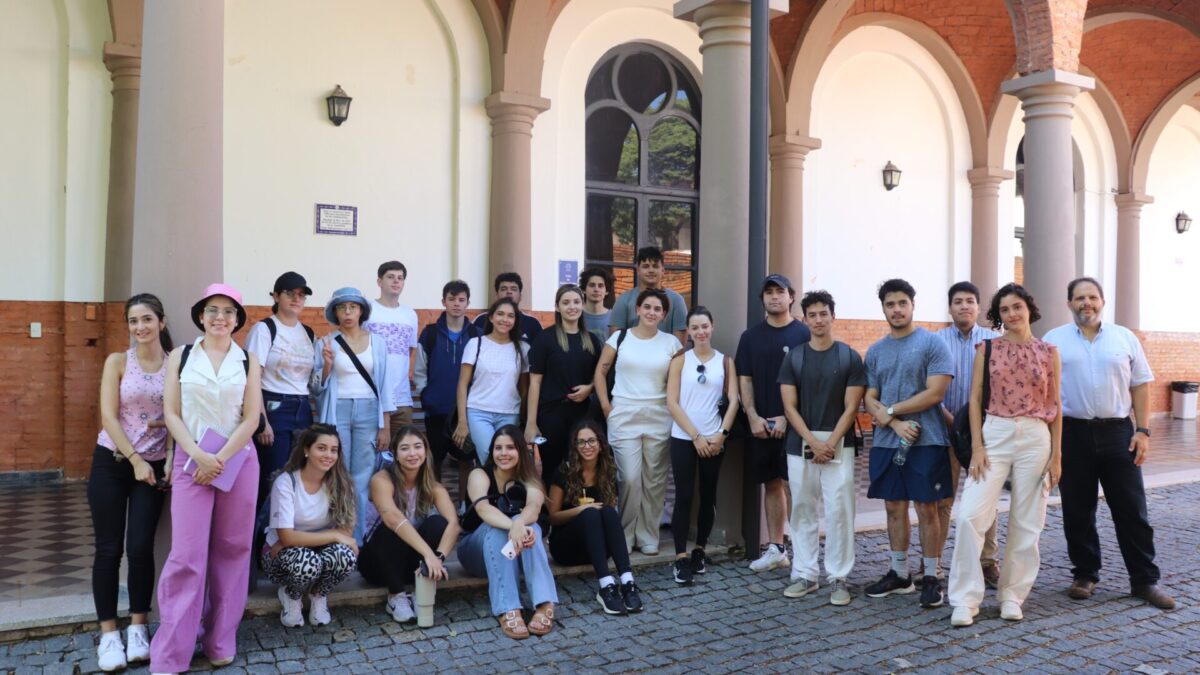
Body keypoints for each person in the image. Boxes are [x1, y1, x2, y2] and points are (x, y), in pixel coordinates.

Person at [1043, 277, 1175, 610]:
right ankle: (1085, 574)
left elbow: (1141, 385)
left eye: (1092, 297)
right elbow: (1042, 390)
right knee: (1077, 510)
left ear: (1102, 301)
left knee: (1132, 509)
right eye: (1079, 298)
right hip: (1072, 433)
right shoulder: (1053, 340)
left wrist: (1143, 430)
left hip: (1118, 433)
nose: (1086, 303)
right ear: (1069, 303)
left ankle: (1145, 580)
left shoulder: (1124, 338)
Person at [150, 284, 261, 673]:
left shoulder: (247, 360)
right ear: (201, 315)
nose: (220, 317)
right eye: (213, 310)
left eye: (229, 312)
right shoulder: (181, 357)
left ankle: (220, 639)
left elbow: (251, 417)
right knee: (186, 554)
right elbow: (171, 412)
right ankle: (172, 652)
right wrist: (198, 455)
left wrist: (221, 458)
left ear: (237, 320)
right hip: (191, 459)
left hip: (238, 459)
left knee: (233, 549)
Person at [949, 284, 1062, 626]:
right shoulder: (987, 348)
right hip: (995, 433)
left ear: (1029, 308)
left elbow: (1056, 406)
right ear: (998, 316)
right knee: (970, 515)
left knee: (1027, 521)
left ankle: (1012, 595)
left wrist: (1057, 456)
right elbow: (974, 398)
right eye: (1004, 309)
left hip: (1036, 436)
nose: (1012, 314)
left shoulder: (1049, 352)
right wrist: (977, 447)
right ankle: (965, 599)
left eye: (1017, 307)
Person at [89, 294, 173, 672]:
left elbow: (177, 415)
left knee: (139, 547)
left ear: (161, 322)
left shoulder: (175, 365)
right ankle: (109, 634)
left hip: (152, 469)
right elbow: (108, 416)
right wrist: (135, 459)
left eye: (147, 319)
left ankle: (138, 627)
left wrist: (168, 457)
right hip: (112, 461)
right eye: (134, 321)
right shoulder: (118, 361)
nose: (140, 327)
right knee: (108, 549)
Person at [861, 278, 954, 610]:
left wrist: (889, 411)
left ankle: (931, 576)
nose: (897, 309)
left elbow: (935, 393)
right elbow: (869, 397)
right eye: (890, 304)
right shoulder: (876, 351)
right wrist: (895, 422)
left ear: (913, 305)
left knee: (927, 508)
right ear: (883, 309)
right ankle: (900, 574)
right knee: (893, 506)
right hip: (888, 442)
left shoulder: (932, 343)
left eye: (902, 303)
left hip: (927, 440)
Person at [777, 291, 866, 605]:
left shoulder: (849, 357)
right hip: (800, 442)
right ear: (804, 319)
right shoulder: (794, 357)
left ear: (833, 316)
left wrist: (829, 443)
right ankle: (805, 573)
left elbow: (852, 407)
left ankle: (839, 577)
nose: (818, 320)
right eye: (812, 315)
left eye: (823, 314)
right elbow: (789, 407)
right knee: (802, 508)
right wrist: (813, 442)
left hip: (839, 443)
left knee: (840, 510)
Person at [594, 288, 683, 554]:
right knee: (630, 478)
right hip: (623, 414)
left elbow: (677, 383)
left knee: (655, 479)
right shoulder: (620, 338)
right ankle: (625, 533)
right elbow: (600, 373)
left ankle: (648, 535)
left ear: (664, 314)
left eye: (657, 309)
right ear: (638, 310)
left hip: (658, 415)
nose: (651, 313)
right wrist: (607, 407)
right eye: (647, 307)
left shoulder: (672, 344)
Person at [736, 274, 811, 572]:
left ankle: (803, 553)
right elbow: (745, 378)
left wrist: (787, 417)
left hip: (795, 425)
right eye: (769, 292)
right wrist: (752, 416)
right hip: (760, 425)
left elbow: (810, 382)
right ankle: (776, 549)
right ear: (763, 299)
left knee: (796, 486)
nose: (774, 297)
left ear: (791, 297)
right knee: (772, 484)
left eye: (780, 291)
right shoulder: (750, 337)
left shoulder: (804, 334)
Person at [246, 272, 317, 587]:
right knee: (270, 482)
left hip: (302, 408)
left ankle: (284, 550)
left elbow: (311, 382)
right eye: (290, 293)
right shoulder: (265, 329)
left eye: (301, 294)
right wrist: (261, 420)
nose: (296, 299)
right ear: (276, 296)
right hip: (273, 406)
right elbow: (253, 377)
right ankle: (252, 557)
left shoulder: (308, 332)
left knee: (296, 482)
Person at [458, 426, 559, 640]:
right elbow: (483, 509)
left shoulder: (530, 478)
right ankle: (508, 607)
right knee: (498, 530)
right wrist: (514, 525)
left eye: (510, 447)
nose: (503, 453)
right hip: (476, 550)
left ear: (520, 450)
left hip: (516, 553)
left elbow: (534, 507)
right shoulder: (479, 474)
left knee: (532, 527)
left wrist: (519, 523)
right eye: (498, 448)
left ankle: (544, 602)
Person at [313, 287, 394, 545]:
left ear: (361, 311)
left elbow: (385, 385)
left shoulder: (377, 342)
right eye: (342, 308)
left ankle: (357, 540)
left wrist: (385, 426)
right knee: (339, 472)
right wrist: (327, 365)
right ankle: (338, 532)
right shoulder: (325, 343)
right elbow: (315, 388)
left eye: (353, 307)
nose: (348, 312)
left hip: (369, 411)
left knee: (362, 476)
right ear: (335, 312)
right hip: (337, 410)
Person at [666, 307, 739, 585]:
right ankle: (680, 557)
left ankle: (699, 549)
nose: (700, 332)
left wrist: (721, 435)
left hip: (714, 439)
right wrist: (695, 436)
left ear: (712, 326)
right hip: (684, 438)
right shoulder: (680, 361)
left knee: (708, 495)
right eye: (695, 327)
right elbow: (671, 402)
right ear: (688, 331)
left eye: (704, 326)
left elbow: (734, 401)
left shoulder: (725, 362)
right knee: (684, 496)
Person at [358, 426, 460, 623]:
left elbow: (454, 524)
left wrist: (438, 557)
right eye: (405, 448)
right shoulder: (382, 480)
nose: (412, 453)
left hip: (411, 564)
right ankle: (395, 596)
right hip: (377, 563)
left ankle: (419, 586)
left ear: (426, 451)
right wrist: (429, 554)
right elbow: (393, 519)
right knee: (392, 528)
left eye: (417, 447)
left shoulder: (433, 486)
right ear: (395, 455)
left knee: (438, 523)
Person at [936, 281, 1001, 587]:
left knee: (986, 500)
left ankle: (988, 561)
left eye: (970, 301)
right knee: (943, 500)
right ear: (950, 307)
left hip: (983, 436)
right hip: (944, 430)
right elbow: (929, 387)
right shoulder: (936, 341)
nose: (964, 306)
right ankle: (935, 561)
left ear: (978, 306)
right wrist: (952, 421)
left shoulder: (994, 341)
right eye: (958, 301)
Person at [262, 424, 358, 628]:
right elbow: (287, 537)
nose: (328, 455)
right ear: (306, 450)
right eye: (321, 448)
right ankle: (291, 594)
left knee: (345, 556)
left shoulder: (343, 483)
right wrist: (334, 535)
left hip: (315, 552)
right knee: (307, 560)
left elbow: (347, 532)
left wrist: (298, 539)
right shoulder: (286, 482)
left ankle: (318, 594)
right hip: (279, 558)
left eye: (334, 450)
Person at [547, 420, 643, 615]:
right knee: (591, 513)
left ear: (600, 443)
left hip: (597, 549)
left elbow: (608, 514)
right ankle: (606, 586)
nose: (587, 446)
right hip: (566, 548)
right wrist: (582, 510)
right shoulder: (564, 471)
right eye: (581, 442)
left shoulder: (607, 469)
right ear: (575, 446)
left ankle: (627, 582)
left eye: (592, 440)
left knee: (608, 512)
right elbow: (553, 517)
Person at [526, 284, 603, 485]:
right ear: (557, 307)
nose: (572, 307)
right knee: (553, 469)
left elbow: (600, 375)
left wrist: (590, 388)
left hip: (583, 414)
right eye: (566, 302)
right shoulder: (545, 339)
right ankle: (551, 505)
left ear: (583, 305)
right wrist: (531, 422)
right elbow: (535, 382)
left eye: (576, 302)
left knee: (581, 467)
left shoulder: (592, 340)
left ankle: (579, 504)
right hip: (551, 414)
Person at [414, 279, 481, 492]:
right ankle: (434, 503)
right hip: (437, 409)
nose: (456, 304)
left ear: (468, 303)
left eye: (461, 299)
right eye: (452, 299)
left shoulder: (476, 334)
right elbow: (420, 369)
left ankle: (464, 505)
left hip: (465, 411)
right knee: (435, 459)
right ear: (443, 301)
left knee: (465, 459)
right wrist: (426, 394)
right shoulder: (430, 333)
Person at [453, 297, 530, 466]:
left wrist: (525, 418)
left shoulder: (523, 349)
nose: (505, 319)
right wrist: (462, 421)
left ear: (515, 321)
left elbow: (524, 389)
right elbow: (462, 384)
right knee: (490, 457)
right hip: (478, 411)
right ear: (491, 317)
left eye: (510, 316)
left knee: (508, 459)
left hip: (510, 412)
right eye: (500, 314)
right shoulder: (476, 344)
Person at [365, 261, 420, 428]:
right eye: (390, 277)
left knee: (403, 443)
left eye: (400, 278)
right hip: (371, 396)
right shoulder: (367, 310)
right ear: (379, 281)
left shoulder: (410, 314)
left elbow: (409, 350)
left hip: (402, 399)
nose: (396, 281)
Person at [608, 246, 688, 342]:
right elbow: (615, 341)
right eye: (645, 266)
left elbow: (679, 344)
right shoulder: (623, 300)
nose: (651, 270)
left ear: (663, 270)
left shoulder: (676, 300)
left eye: (655, 266)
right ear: (638, 270)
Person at [472, 272, 544, 343]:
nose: (509, 292)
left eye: (514, 289)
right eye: (504, 289)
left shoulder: (532, 323)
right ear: (496, 295)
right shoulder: (481, 319)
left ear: (520, 296)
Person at [579, 267, 612, 342]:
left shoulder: (614, 318)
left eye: (600, 286)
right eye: (592, 285)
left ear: (607, 291)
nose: (596, 289)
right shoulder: (575, 314)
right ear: (584, 289)